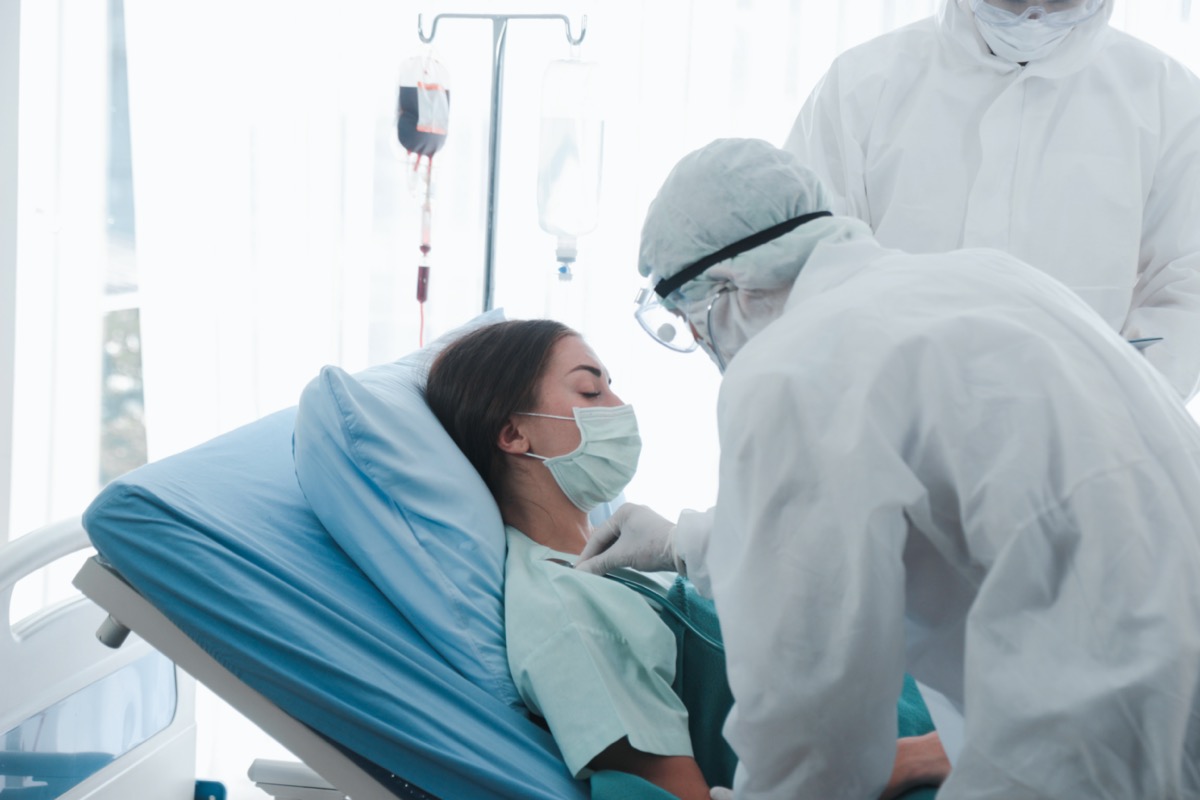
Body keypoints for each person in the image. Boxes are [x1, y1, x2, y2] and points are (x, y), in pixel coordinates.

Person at [576, 137, 1200, 799]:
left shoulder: (789, 367)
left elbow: (812, 702)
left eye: (690, 322)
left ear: (728, 289)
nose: (703, 344)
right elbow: (898, 505)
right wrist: (685, 542)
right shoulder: (986, 279)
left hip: (1091, 742)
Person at [423, 318, 951, 800]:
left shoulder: (618, 569)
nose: (619, 407)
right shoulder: (564, 616)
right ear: (514, 433)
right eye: (591, 388)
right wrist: (915, 758)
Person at [783, 0, 1200, 400]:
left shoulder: (1168, 95)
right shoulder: (863, 82)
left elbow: (1187, 282)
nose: (1035, 15)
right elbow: (811, 264)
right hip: (889, 416)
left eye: (1061, 0)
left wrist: (1118, 409)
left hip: (1085, 434)